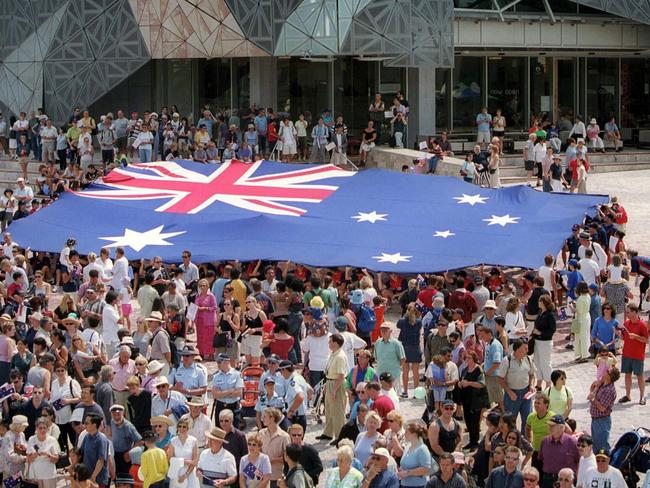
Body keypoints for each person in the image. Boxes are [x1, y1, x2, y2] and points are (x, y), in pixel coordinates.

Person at [498, 339, 536, 433]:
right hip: (512, 395)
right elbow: (500, 379)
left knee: (527, 420)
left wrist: (531, 385)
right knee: (510, 422)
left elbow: (532, 374)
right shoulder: (507, 360)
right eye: (525, 349)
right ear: (517, 349)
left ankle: (525, 441)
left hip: (525, 394)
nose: (527, 351)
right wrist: (509, 392)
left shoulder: (528, 359)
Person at [538, 415, 580, 488]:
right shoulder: (545, 441)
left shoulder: (572, 442)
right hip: (548, 479)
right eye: (549, 425)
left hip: (566, 481)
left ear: (561, 427)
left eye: (552, 425)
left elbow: (579, 461)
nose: (550, 428)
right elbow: (541, 459)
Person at [618, 304, 647, 405]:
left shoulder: (642, 325)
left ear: (635, 312)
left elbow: (646, 340)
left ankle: (642, 396)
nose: (627, 314)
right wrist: (619, 334)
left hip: (638, 355)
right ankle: (628, 395)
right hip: (626, 354)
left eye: (628, 312)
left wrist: (636, 336)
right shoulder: (626, 324)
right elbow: (624, 338)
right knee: (627, 375)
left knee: (640, 376)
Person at [322, 333, 348, 442]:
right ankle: (328, 433)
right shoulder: (333, 354)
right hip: (330, 381)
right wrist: (326, 385)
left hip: (337, 384)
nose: (328, 343)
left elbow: (341, 376)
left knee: (338, 411)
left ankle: (339, 436)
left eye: (330, 341)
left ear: (336, 343)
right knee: (328, 409)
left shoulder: (340, 356)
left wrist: (334, 390)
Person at [589, 366, 619, 453]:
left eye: (607, 371)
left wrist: (592, 399)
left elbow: (602, 408)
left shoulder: (610, 391)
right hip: (595, 419)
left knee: (602, 447)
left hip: (602, 421)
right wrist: (595, 387)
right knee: (595, 445)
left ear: (609, 376)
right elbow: (592, 392)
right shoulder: (602, 383)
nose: (604, 371)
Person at [25, 417, 60, 488]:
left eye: (44, 428)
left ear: (47, 429)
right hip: (35, 476)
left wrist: (48, 455)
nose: (42, 430)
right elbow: (29, 460)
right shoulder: (31, 439)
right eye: (40, 428)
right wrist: (35, 455)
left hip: (49, 475)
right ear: (36, 428)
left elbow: (56, 460)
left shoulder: (52, 440)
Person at [258, 408, 290, 486]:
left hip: (276, 475)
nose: (262, 419)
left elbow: (288, 457)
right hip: (261, 474)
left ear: (272, 418)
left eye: (265, 416)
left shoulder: (284, 437)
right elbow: (257, 450)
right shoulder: (261, 433)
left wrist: (271, 460)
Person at [374, 322, 405, 395]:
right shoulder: (378, 342)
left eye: (386, 329)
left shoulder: (396, 343)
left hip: (393, 375)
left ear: (391, 331)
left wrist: (396, 368)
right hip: (381, 375)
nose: (383, 331)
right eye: (382, 329)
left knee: (393, 396)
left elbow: (403, 359)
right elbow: (376, 358)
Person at [167, 417, 199, 488]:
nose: (182, 428)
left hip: (189, 474)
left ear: (188, 428)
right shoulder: (173, 441)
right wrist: (183, 461)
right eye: (180, 426)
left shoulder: (194, 441)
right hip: (176, 472)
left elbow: (195, 462)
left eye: (184, 427)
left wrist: (185, 475)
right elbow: (170, 460)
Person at [397, 422, 432, 488]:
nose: (404, 434)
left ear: (414, 434)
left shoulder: (422, 448)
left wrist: (407, 473)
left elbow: (426, 469)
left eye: (406, 432)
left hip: (419, 486)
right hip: (404, 484)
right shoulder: (408, 446)